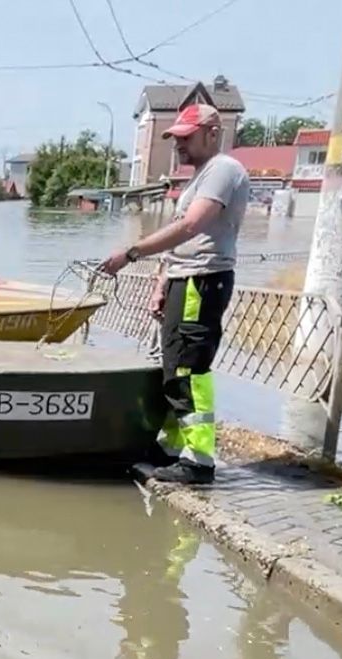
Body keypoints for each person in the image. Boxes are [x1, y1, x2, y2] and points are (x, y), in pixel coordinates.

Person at [99, 103, 249, 485]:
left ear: (212, 134)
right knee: (173, 367)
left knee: (189, 370)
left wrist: (131, 253)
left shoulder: (223, 170)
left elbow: (191, 227)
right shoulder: (199, 177)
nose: (179, 145)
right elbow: (181, 243)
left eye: (186, 137)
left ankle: (198, 461)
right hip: (185, 279)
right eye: (176, 138)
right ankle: (173, 448)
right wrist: (162, 283)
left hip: (203, 280)